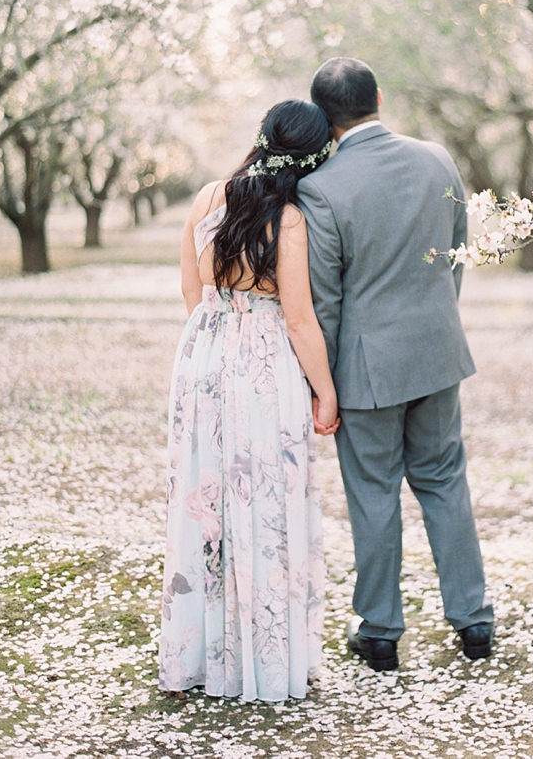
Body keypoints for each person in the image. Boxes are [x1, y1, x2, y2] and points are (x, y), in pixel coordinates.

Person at [298, 57, 494, 672]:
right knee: (444, 480)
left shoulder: (320, 187)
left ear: (323, 118)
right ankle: (474, 620)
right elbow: (456, 256)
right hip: (437, 353)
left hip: (365, 372)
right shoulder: (437, 157)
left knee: (374, 493)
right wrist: (436, 322)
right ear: (378, 96)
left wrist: (320, 384)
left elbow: (324, 301)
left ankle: (380, 631)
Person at [158, 100, 339, 703]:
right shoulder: (287, 220)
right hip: (263, 366)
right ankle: (259, 659)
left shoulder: (209, 194)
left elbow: (191, 285)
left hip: (202, 353)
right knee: (263, 505)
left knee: (205, 501)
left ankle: (201, 658)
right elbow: (299, 320)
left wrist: (214, 345)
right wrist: (326, 393)